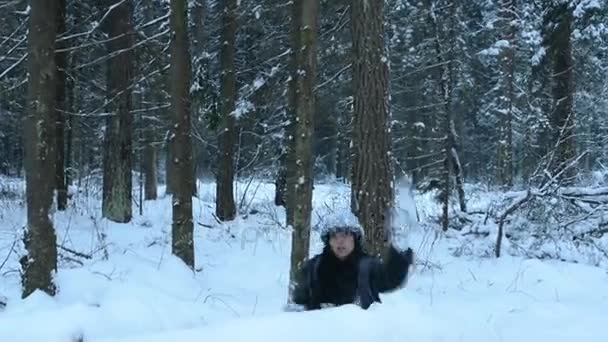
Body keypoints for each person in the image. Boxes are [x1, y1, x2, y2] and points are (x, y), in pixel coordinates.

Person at [289, 224, 415, 311]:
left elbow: (391, 280)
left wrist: (400, 260)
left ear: (355, 238)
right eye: (334, 236)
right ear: (328, 241)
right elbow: (299, 304)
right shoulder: (313, 267)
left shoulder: (368, 267)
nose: (340, 241)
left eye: (345, 235)